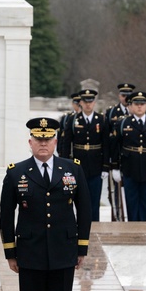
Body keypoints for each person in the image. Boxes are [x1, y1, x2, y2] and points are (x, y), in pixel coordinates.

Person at [0, 117, 91, 291]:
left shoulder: (71, 169)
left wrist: (81, 247)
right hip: (30, 253)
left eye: (47, 139)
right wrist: (10, 252)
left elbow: (84, 210)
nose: (42, 143)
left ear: (55, 141)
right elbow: (6, 216)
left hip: (63, 252)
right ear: (30, 142)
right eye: (37, 139)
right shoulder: (17, 172)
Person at [109, 90, 146, 222]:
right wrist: (115, 167)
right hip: (130, 167)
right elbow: (116, 146)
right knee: (131, 201)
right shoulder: (123, 123)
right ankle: (132, 228)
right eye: (136, 104)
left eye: (142, 104)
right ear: (131, 106)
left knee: (145, 201)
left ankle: (143, 227)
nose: (139, 106)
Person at [58, 88, 109, 221]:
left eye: (91, 101)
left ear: (94, 102)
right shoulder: (73, 120)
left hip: (96, 165)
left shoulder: (101, 120)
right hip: (78, 166)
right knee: (79, 200)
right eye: (85, 101)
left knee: (94, 200)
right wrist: (64, 165)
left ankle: (95, 225)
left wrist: (105, 167)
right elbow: (66, 144)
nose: (88, 104)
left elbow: (106, 144)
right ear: (80, 102)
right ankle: (80, 226)